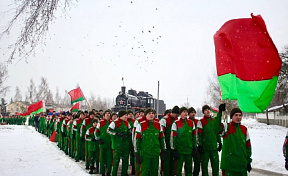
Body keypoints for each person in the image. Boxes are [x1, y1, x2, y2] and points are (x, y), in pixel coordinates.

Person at [213, 104, 252, 176]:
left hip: (241, 167)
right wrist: (219, 113)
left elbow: (248, 146)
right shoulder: (226, 127)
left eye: (240, 115)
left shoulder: (244, 129)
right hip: (229, 167)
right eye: (236, 115)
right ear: (231, 116)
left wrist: (248, 161)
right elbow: (216, 128)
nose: (238, 117)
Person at [134, 108, 166, 176]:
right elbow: (137, 140)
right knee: (144, 172)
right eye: (149, 113)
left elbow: (162, 139)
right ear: (145, 115)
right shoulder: (141, 125)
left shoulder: (158, 125)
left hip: (155, 154)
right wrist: (137, 153)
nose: (151, 115)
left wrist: (163, 150)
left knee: (154, 172)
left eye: (153, 113)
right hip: (145, 154)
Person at [171, 107, 197, 176]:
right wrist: (174, 149)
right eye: (184, 112)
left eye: (186, 112)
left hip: (189, 150)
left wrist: (195, 147)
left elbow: (194, 136)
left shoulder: (191, 123)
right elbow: (173, 137)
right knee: (178, 170)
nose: (185, 113)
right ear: (180, 113)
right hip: (180, 151)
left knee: (189, 170)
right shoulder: (176, 123)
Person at [197, 105, 222, 176]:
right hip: (205, 149)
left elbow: (217, 133)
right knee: (204, 167)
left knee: (216, 166)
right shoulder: (201, 122)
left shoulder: (214, 120)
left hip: (214, 148)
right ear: (203, 112)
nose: (207, 111)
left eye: (209, 109)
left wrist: (220, 142)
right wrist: (200, 145)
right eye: (205, 110)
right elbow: (199, 135)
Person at [107, 110, 131, 176]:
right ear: (121, 116)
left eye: (126, 115)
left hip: (125, 144)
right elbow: (108, 130)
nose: (126, 116)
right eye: (125, 115)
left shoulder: (126, 123)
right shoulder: (115, 122)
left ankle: (124, 173)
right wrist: (116, 133)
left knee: (125, 160)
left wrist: (129, 132)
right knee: (116, 161)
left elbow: (129, 129)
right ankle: (114, 173)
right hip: (118, 144)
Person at [159, 105, 180, 176]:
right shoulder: (164, 120)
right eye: (176, 114)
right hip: (166, 146)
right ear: (173, 113)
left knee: (173, 165)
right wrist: (163, 147)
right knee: (166, 165)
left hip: (173, 147)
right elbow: (161, 134)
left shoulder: (176, 120)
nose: (177, 116)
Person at [95, 110, 113, 176]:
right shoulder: (100, 122)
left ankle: (108, 172)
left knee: (109, 158)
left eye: (109, 113)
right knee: (102, 158)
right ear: (104, 115)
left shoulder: (112, 123)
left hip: (110, 144)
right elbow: (96, 132)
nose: (108, 114)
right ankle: (102, 172)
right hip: (102, 143)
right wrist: (99, 138)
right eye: (106, 113)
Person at [188, 107, 201, 176]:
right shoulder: (187, 122)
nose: (193, 114)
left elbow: (200, 133)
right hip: (189, 145)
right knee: (189, 163)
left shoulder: (197, 122)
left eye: (194, 112)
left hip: (197, 145)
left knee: (197, 162)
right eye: (191, 112)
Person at [127, 110, 136, 175]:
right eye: (129, 114)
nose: (130, 115)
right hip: (127, 141)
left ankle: (133, 168)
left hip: (132, 140)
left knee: (133, 155)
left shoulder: (134, 121)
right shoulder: (125, 121)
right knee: (126, 156)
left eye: (131, 114)